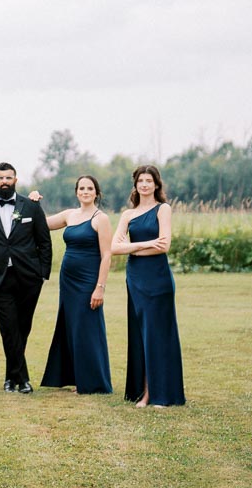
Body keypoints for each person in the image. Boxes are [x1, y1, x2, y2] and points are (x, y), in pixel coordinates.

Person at [0, 162, 52, 393]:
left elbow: (44, 241)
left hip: (29, 277)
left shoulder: (31, 207)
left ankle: (10, 376)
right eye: (1, 178)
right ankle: (23, 380)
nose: (5, 181)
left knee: (23, 327)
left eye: (9, 178)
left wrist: (43, 274)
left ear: (16, 180)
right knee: (9, 327)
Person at [111, 165, 185, 407]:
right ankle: (142, 391)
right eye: (140, 180)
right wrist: (147, 244)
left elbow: (164, 246)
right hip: (135, 278)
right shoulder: (127, 215)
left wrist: (132, 246)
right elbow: (115, 248)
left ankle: (158, 393)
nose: (144, 184)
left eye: (149, 180)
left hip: (158, 278)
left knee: (158, 335)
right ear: (135, 185)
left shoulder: (163, 209)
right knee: (140, 335)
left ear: (156, 185)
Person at [36, 175, 113, 394]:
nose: (85, 191)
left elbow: (106, 255)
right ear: (77, 191)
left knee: (87, 328)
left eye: (90, 188)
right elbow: (41, 224)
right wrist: (33, 203)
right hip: (68, 280)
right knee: (70, 326)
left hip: (89, 280)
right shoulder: (70, 214)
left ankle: (93, 382)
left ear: (96, 192)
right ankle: (74, 377)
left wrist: (100, 287)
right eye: (82, 188)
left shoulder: (101, 219)